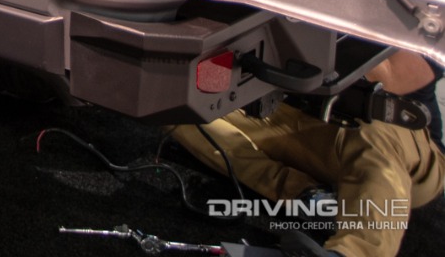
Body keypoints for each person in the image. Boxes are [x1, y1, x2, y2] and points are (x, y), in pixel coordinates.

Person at [170, 52, 444, 257]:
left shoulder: (430, 5)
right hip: (303, 115)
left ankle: (352, 252)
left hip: (402, 145)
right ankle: (310, 197)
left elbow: (389, 77)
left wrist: (320, 7)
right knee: (177, 107)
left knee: (376, 131)